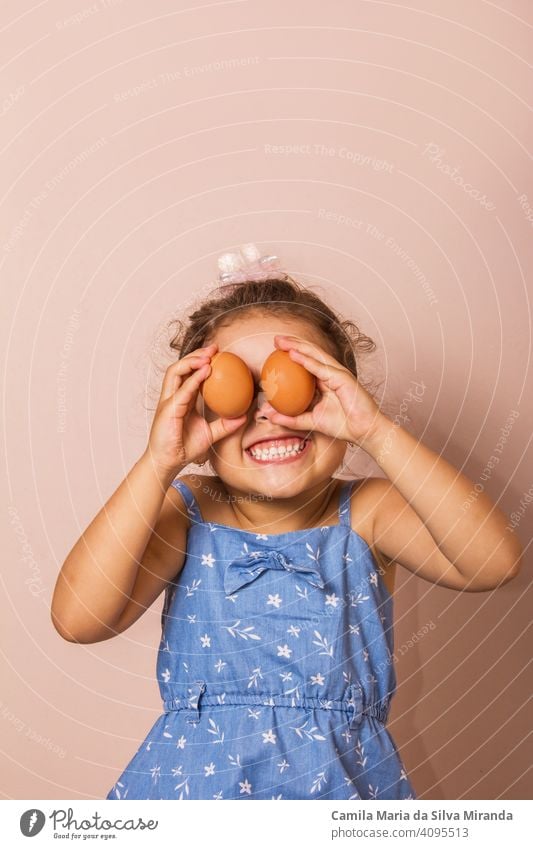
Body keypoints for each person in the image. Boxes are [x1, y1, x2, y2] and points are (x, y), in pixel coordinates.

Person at [51, 245, 523, 800]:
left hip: (339, 794)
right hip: (196, 796)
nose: (268, 412)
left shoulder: (368, 515)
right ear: (196, 420)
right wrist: (159, 463)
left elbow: (494, 562)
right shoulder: (185, 511)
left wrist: (375, 431)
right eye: (233, 392)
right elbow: (79, 620)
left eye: (292, 383)